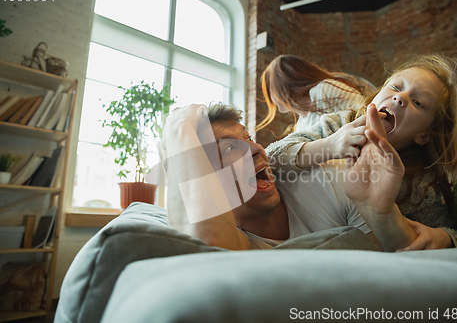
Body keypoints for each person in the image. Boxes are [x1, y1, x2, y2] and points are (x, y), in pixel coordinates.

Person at [266, 54, 457, 250]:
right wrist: (329, 146)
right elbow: (271, 157)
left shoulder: (421, 181)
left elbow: (451, 235)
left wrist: (445, 238)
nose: (399, 98)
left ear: (423, 135)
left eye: (418, 102)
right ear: (376, 96)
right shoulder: (339, 123)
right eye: (395, 87)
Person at [162, 103, 422, 252]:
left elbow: (406, 264)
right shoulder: (234, 238)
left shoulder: (331, 178)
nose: (255, 149)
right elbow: (208, 249)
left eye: (248, 139)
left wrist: (379, 212)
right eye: (230, 149)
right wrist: (178, 128)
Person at [258, 54, 375, 132]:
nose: (271, 98)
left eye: (271, 90)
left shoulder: (322, 90)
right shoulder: (300, 125)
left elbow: (366, 111)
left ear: (283, 86)